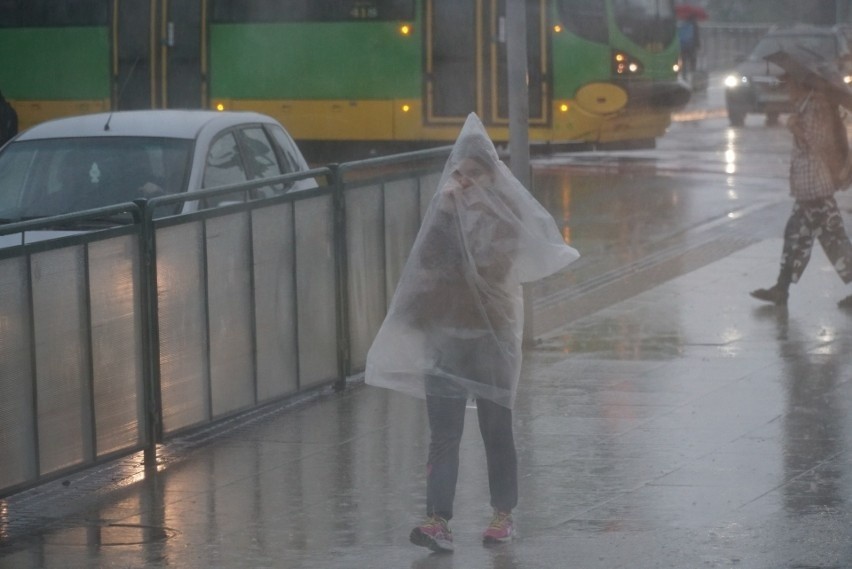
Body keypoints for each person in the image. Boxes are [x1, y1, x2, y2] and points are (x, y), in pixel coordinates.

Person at [365, 113, 579, 552]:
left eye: (472, 174)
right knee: (443, 434)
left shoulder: (505, 215)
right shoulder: (442, 215)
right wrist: (445, 217)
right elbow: (424, 267)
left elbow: (488, 269)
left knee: (495, 428)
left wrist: (462, 221)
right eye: (458, 173)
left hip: (489, 339)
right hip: (444, 337)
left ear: (490, 176)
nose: (462, 182)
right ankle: (436, 520)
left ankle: (503, 514)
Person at [750, 69, 852, 307]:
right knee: (796, 238)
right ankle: (781, 289)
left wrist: (796, 128)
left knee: (834, 242)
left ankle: (781, 289)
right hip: (807, 192)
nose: (788, 92)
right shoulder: (804, 107)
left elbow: (819, 142)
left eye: (790, 86)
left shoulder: (816, 106)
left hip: (817, 190)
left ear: (802, 86)